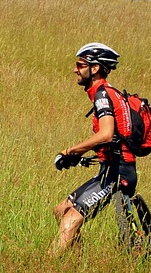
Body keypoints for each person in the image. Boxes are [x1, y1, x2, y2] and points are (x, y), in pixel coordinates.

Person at [49, 42, 138, 256]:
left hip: (118, 172)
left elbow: (106, 134)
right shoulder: (105, 93)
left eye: (80, 65)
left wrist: (71, 151)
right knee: (61, 211)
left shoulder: (102, 95)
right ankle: (78, 263)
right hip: (109, 169)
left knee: (71, 218)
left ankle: (47, 267)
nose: (75, 70)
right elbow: (112, 139)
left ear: (95, 68)